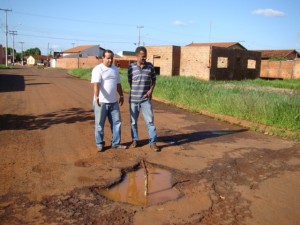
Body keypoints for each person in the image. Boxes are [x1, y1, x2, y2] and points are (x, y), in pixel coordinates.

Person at [91, 49, 127, 152]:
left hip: (113, 102)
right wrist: (97, 96)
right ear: (103, 58)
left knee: (117, 122)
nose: (110, 60)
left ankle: (115, 143)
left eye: (111, 58)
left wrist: (121, 95)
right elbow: (96, 84)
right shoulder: (98, 69)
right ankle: (99, 144)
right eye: (108, 58)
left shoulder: (115, 69)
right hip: (101, 102)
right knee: (99, 124)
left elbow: (118, 84)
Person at [128, 46, 159, 152]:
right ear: (137, 56)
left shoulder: (150, 66)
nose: (145, 58)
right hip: (134, 100)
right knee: (133, 122)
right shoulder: (131, 67)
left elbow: (154, 80)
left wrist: (151, 90)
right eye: (143, 56)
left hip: (146, 99)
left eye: (146, 56)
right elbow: (130, 81)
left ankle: (153, 142)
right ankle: (135, 140)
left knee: (150, 121)